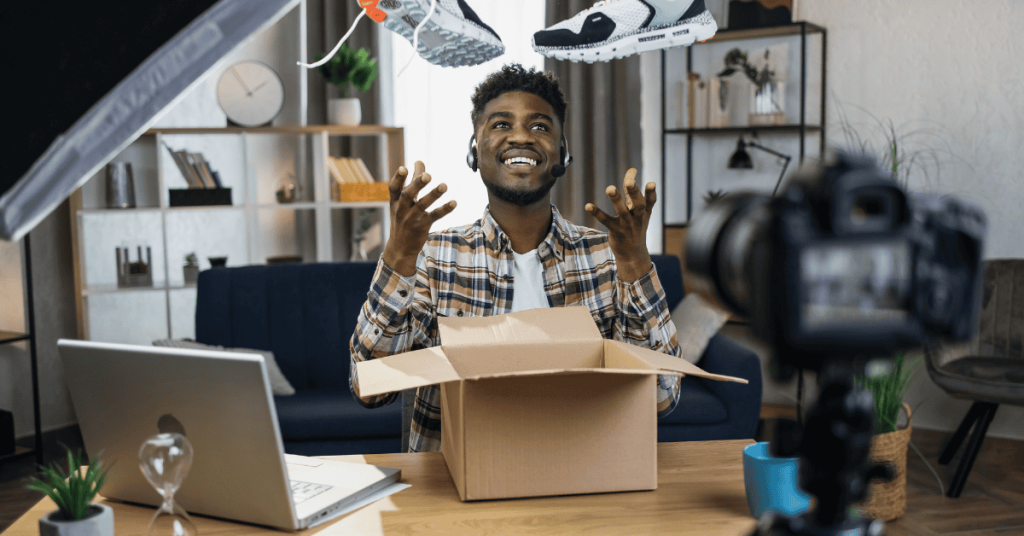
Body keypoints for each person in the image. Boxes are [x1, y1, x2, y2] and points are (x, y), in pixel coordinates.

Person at [349, 63, 682, 453]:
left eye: (540, 126)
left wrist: (635, 265)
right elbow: (369, 388)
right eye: (501, 125)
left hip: (584, 479)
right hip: (456, 489)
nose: (521, 136)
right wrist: (399, 254)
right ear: (474, 149)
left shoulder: (609, 255)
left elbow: (662, 398)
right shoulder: (434, 257)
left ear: (563, 151)